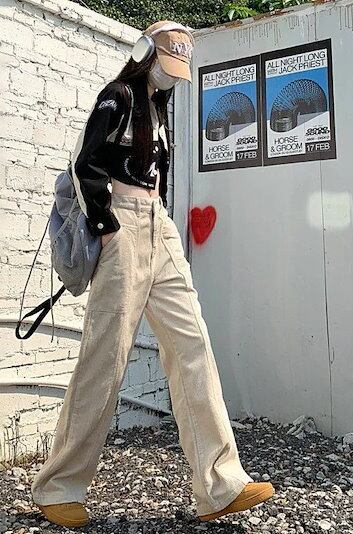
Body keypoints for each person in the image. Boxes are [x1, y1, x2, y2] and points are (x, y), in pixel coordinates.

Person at [30, 20, 275, 527]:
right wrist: (106, 227)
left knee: (192, 343)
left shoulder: (158, 107)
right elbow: (85, 165)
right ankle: (59, 487)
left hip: (157, 225)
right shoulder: (117, 97)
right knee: (106, 355)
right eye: (167, 66)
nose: (171, 77)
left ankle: (221, 484)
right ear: (145, 54)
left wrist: (154, 220)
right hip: (121, 221)